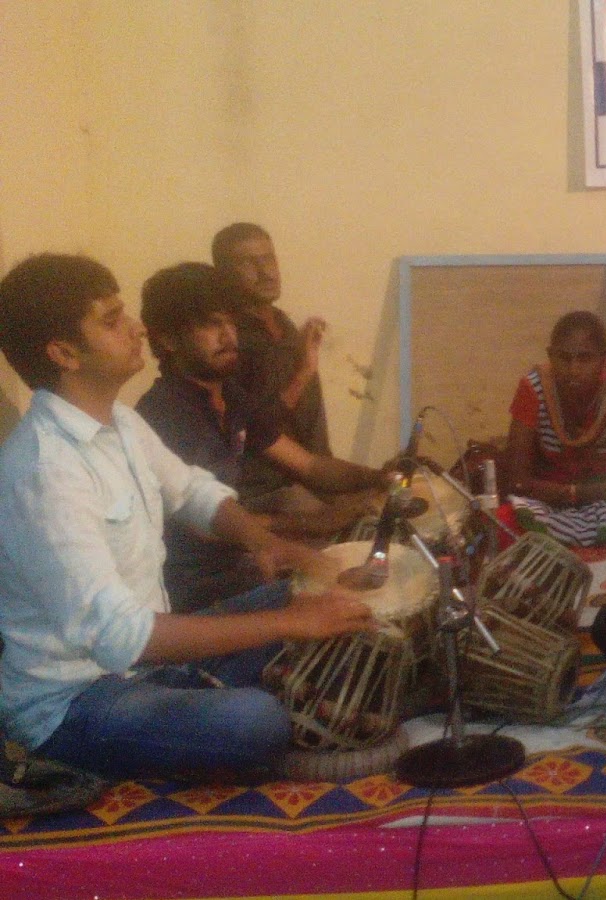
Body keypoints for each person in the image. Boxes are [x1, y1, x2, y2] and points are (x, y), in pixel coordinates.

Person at [0, 253, 373, 781]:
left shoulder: (121, 424)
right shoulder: (43, 471)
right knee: (255, 721)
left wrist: (266, 543)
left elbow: (192, 491)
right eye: (112, 320)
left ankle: (213, 694)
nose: (136, 329)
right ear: (64, 353)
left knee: (318, 597)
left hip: (150, 664)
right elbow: (120, 636)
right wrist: (291, 623)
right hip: (77, 700)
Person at [136, 263, 391, 612]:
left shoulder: (230, 396)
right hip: (198, 589)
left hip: (240, 560)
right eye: (211, 324)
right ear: (167, 339)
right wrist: (314, 523)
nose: (228, 336)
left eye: (230, 322)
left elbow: (308, 465)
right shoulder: (163, 416)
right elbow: (202, 525)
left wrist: (380, 477)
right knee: (352, 604)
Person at [503, 310, 606, 546]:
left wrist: (572, 493)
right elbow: (517, 479)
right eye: (564, 358)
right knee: (502, 522)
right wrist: (556, 494)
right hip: (547, 505)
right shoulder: (534, 388)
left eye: (585, 358)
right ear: (550, 356)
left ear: (605, 360)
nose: (573, 369)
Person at [211, 222, 331, 502]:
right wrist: (303, 373)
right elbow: (252, 429)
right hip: (264, 492)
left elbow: (310, 417)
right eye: (248, 263)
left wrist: (333, 481)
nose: (266, 272)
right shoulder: (227, 339)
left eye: (269, 259)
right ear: (224, 273)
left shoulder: (283, 324)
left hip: (312, 478)